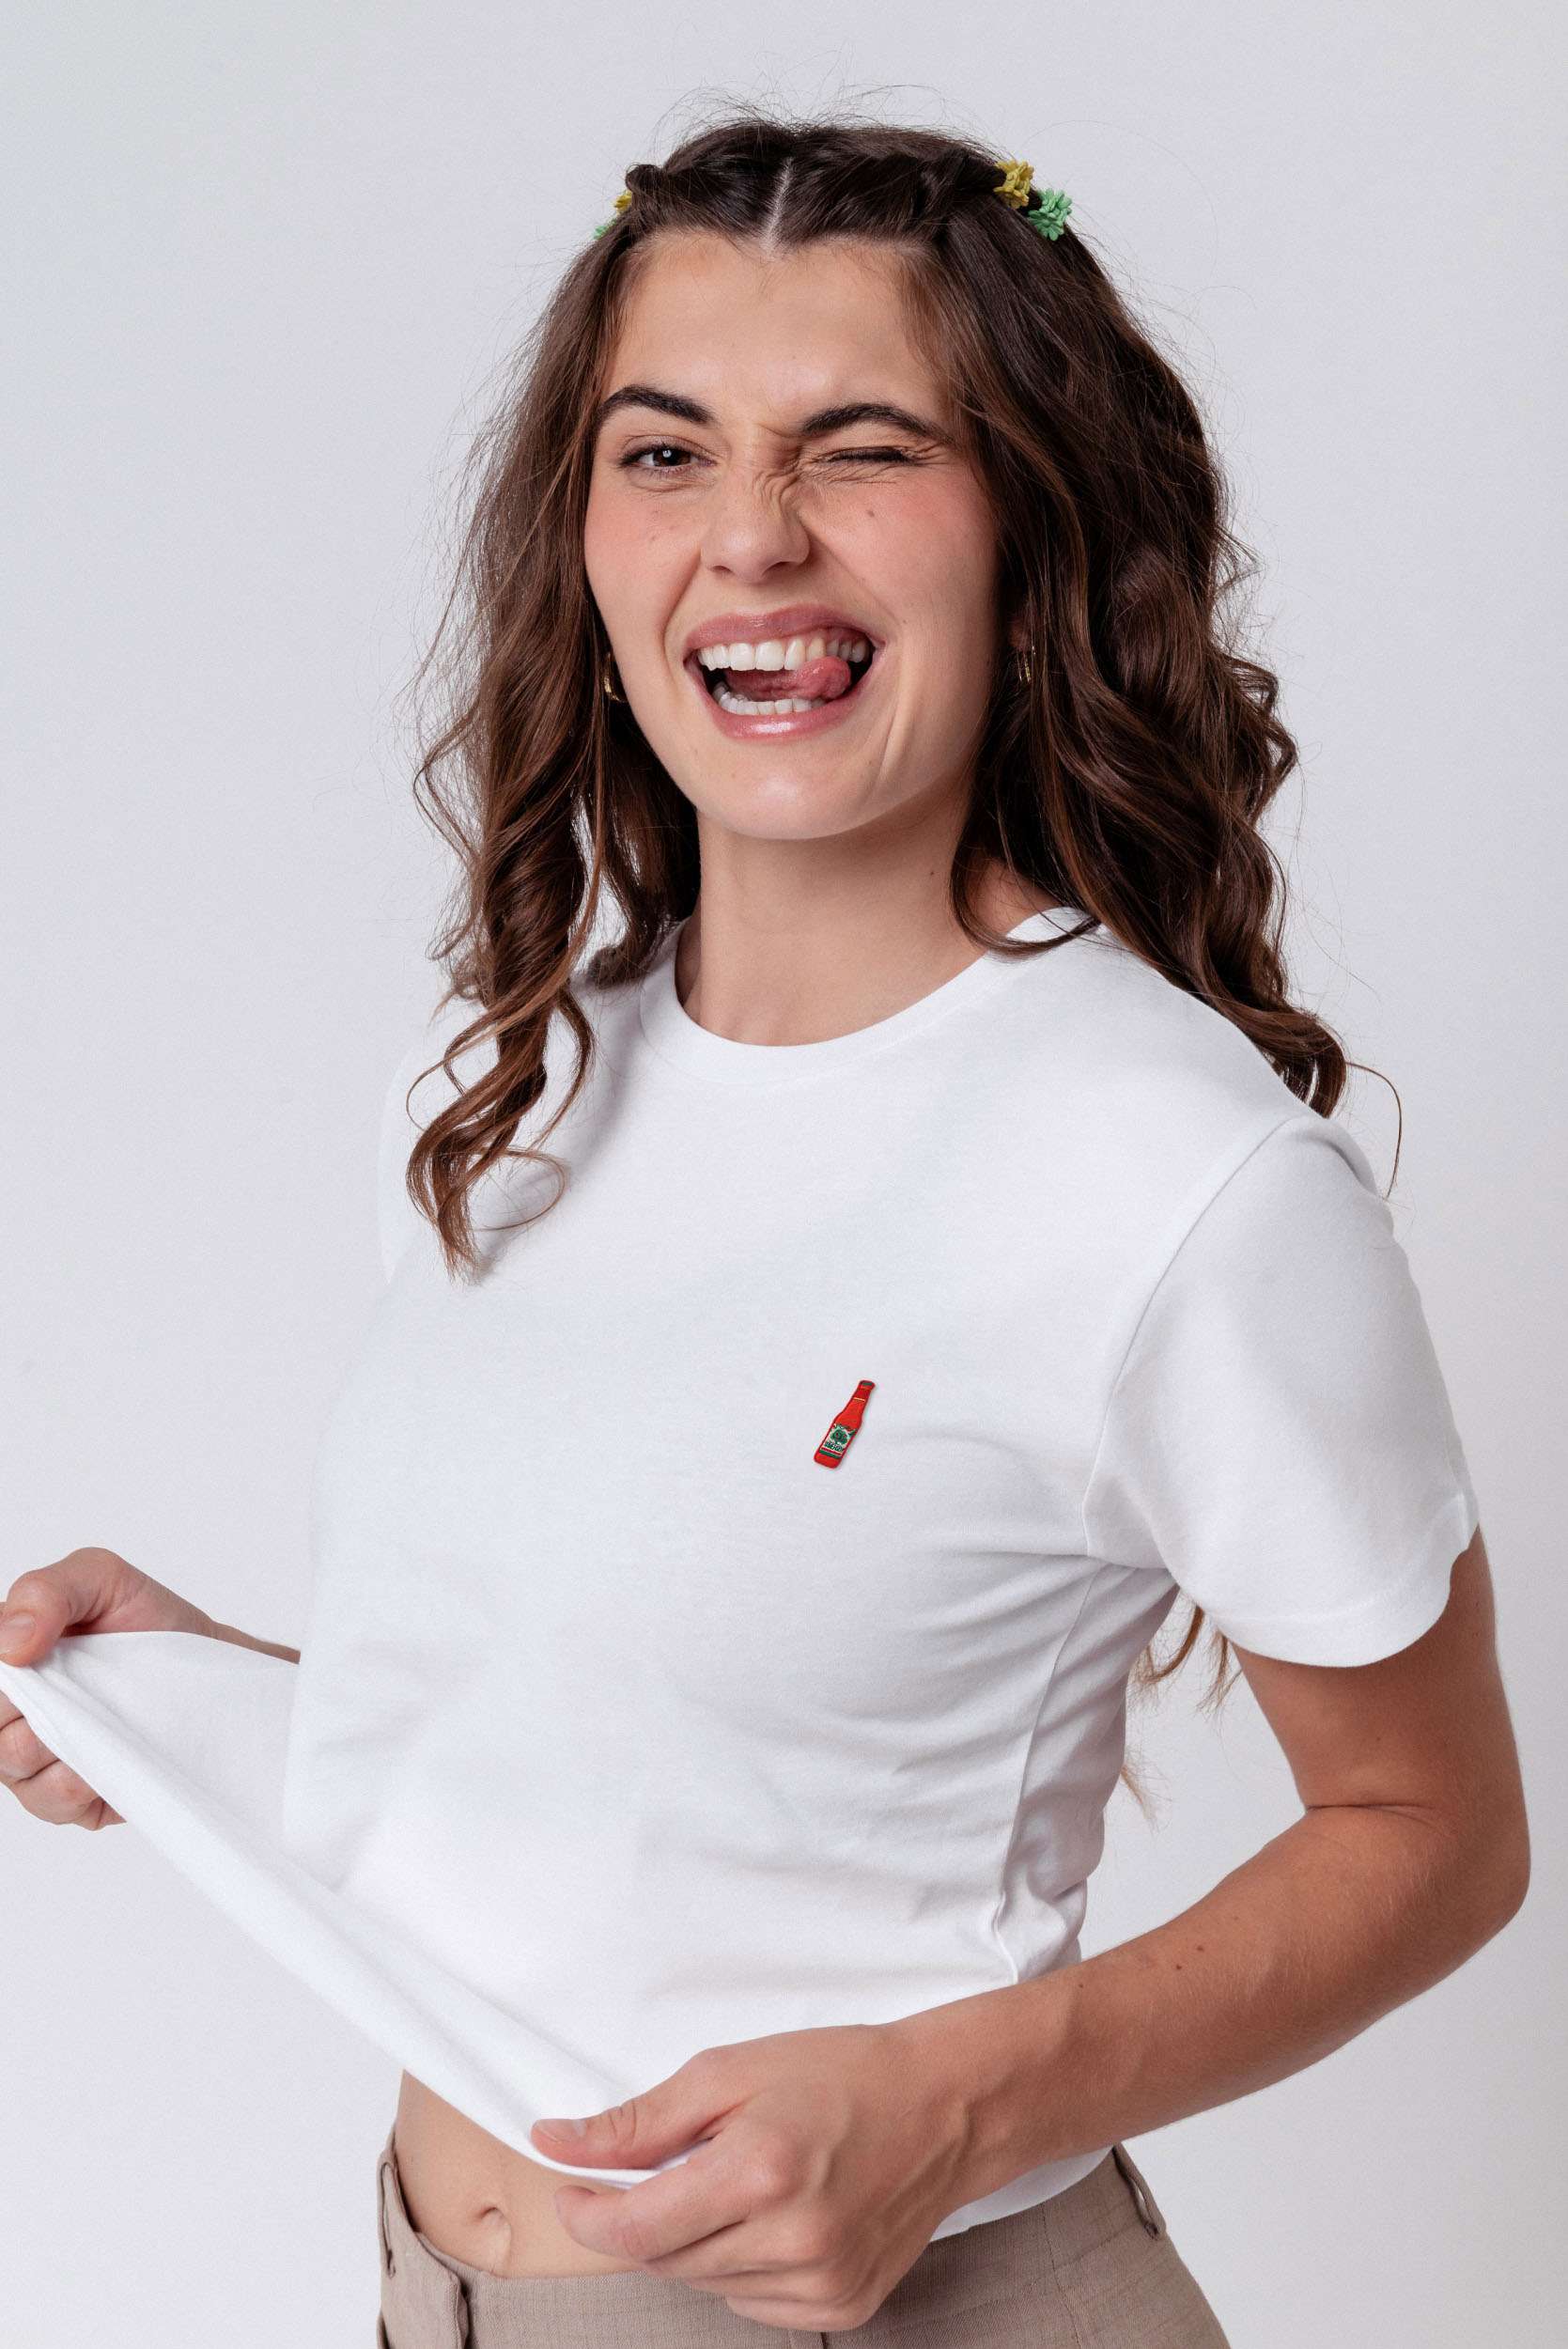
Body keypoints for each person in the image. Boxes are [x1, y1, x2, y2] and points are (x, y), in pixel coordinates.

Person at [0, 110, 1529, 2349]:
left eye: (864, 448)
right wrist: (203, 1705)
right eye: (665, 452)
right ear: (582, 532)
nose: (752, 538)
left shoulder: (1169, 1173)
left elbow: (1435, 1830)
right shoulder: (524, 1083)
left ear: (1030, 525)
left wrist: (945, 2099)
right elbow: (674, 1767)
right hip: (436, 2288)